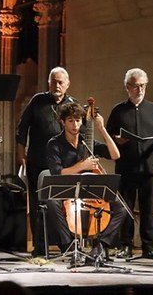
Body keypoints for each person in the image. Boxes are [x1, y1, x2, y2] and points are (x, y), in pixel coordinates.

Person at [45, 102, 125, 262]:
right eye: (70, 121)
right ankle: (69, 246)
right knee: (52, 202)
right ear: (62, 121)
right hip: (66, 189)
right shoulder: (54, 144)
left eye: (78, 120)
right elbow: (57, 172)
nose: (75, 125)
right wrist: (82, 166)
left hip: (89, 189)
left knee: (121, 208)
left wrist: (101, 128)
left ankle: (100, 246)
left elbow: (115, 155)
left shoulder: (87, 143)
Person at [16, 66, 77, 256]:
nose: (56, 85)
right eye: (53, 81)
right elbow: (22, 128)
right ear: (48, 83)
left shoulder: (73, 105)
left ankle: (63, 242)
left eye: (60, 82)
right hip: (38, 161)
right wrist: (21, 154)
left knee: (62, 205)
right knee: (37, 205)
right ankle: (39, 246)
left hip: (63, 165)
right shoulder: (38, 101)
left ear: (68, 84)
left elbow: (80, 133)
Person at [106, 68, 153, 259]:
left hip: (148, 167)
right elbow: (108, 136)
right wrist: (116, 138)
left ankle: (148, 246)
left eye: (142, 86)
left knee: (147, 209)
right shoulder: (118, 110)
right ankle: (126, 245)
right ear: (127, 87)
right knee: (126, 209)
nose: (139, 90)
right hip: (126, 167)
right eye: (135, 86)